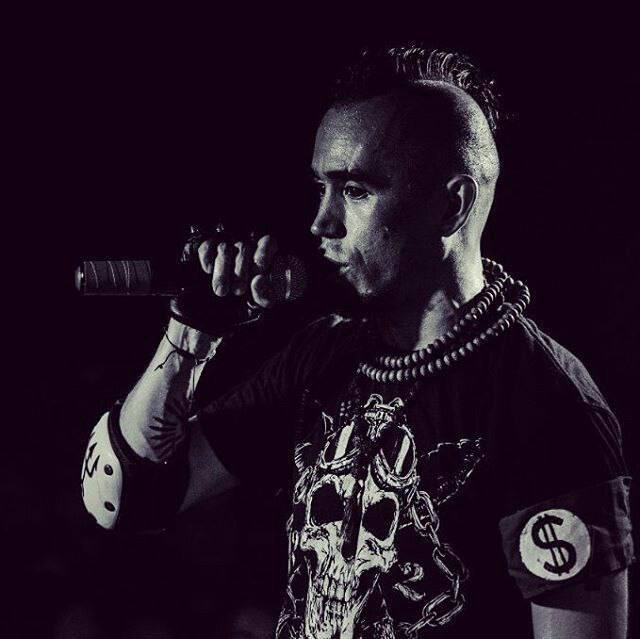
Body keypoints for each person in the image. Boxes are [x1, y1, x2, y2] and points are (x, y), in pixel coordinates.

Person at [81, 45, 634, 638]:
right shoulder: (325, 356)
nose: (321, 222)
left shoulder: (546, 401)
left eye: (354, 191)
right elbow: (128, 496)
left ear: (452, 205)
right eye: (321, 188)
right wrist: (190, 333)